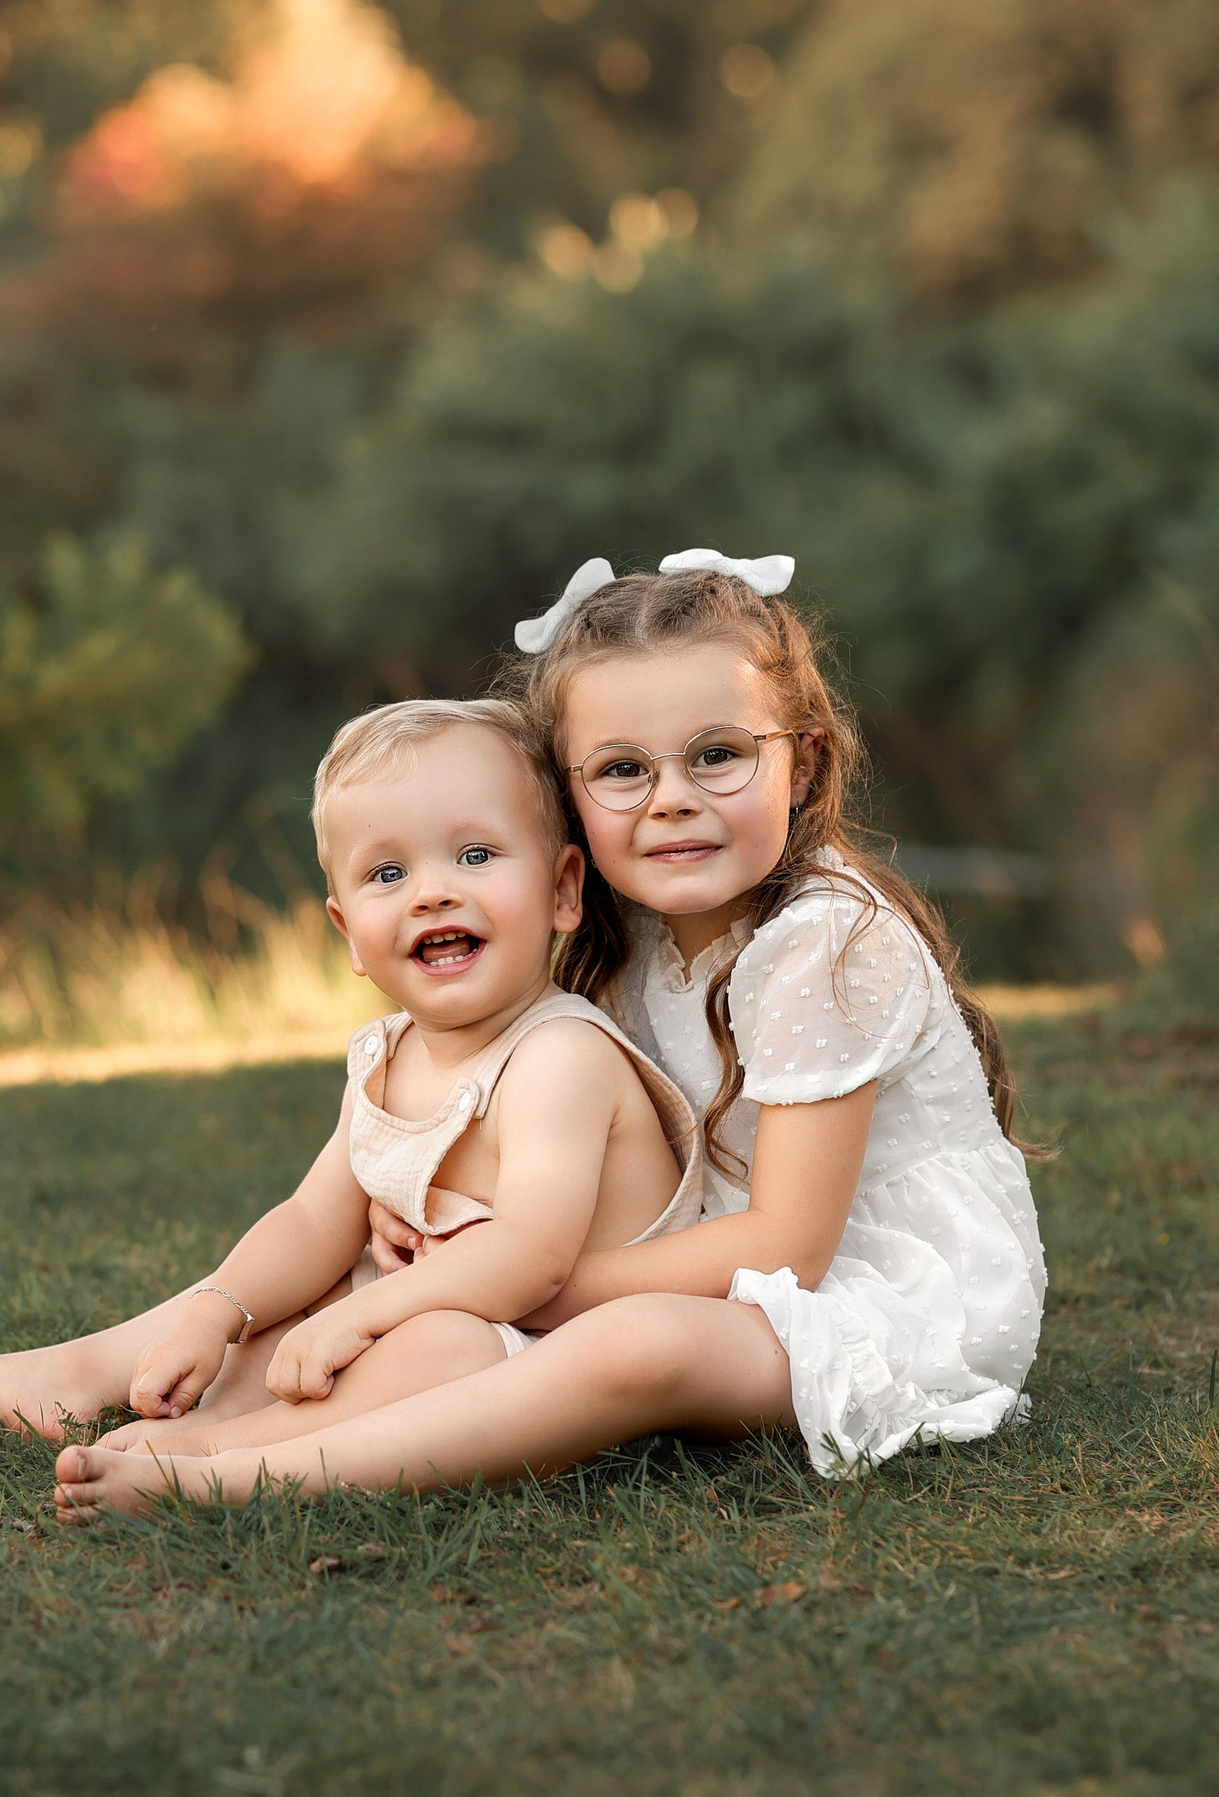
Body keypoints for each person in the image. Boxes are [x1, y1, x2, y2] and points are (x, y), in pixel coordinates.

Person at [52, 548, 1048, 1519]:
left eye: (717, 755)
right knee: (413, 1285)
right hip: (695, 1261)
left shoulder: (826, 941)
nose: (671, 799)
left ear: (804, 759)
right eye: (622, 769)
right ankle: (122, 1381)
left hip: (874, 1299)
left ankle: (238, 1469)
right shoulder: (633, 924)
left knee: (630, 1348)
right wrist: (448, 1231)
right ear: (570, 802)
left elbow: (791, 1247)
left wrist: (526, 1289)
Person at [0, 698, 708, 1450]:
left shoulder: (560, 1054)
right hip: (435, 1306)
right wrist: (218, 1308)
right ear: (347, 931)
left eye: (477, 855)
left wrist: (359, 1314)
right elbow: (313, 1219)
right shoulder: (387, 1054)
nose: (432, 894)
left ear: (565, 891)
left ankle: (231, 1445)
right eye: (388, 873)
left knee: (434, 1341)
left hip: (553, 1347)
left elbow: (532, 1259)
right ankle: (76, 1378)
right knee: (285, 1299)